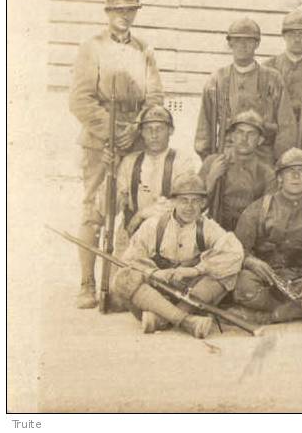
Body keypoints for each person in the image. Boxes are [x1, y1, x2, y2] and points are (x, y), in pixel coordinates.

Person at [69, 0, 164, 309]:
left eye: (130, 10)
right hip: (100, 141)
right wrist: (110, 134)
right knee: (96, 209)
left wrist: (135, 128)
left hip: (134, 141)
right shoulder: (91, 48)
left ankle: (123, 279)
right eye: (118, 11)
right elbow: (80, 100)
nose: (124, 17)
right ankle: (87, 282)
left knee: (133, 208)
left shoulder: (144, 49)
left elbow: (154, 97)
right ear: (108, 14)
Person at [110, 173, 243, 338]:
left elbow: (234, 253)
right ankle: (187, 321)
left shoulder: (208, 227)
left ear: (203, 203)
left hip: (190, 294)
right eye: (183, 200)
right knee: (123, 278)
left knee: (227, 275)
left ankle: (161, 318)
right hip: (157, 293)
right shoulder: (154, 225)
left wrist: (194, 270)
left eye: (195, 201)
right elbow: (130, 259)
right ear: (173, 202)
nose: (189, 207)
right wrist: (154, 273)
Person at [231, 149, 302, 324]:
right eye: (290, 171)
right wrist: (250, 261)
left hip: (301, 280)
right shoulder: (259, 208)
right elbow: (237, 248)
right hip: (266, 281)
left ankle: (270, 316)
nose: (296, 175)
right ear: (279, 178)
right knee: (242, 285)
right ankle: (295, 310)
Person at [194, 17, 296, 162]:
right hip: (227, 156)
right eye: (237, 40)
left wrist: (278, 161)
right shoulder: (217, 81)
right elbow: (204, 129)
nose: (243, 45)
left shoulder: (272, 79)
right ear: (230, 43)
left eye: (249, 40)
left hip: (264, 156)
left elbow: (287, 127)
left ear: (257, 44)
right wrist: (210, 161)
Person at [115, 105, 200, 249]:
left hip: (170, 237)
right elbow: (114, 205)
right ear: (141, 132)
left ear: (170, 131)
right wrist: (110, 172)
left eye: (159, 129)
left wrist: (142, 215)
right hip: (132, 236)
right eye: (148, 129)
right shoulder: (129, 162)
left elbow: (182, 202)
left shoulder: (183, 161)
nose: (154, 135)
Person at [199, 110, 275, 232]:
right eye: (240, 132)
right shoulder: (213, 162)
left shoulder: (267, 173)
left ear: (260, 140)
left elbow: (269, 216)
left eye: (251, 134)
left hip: (250, 234)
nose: (244, 139)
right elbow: (196, 207)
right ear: (232, 136)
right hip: (214, 231)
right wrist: (211, 180)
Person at [264, 9, 302, 151]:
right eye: (292, 34)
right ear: (284, 36)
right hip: (273, 139)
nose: (297, 39)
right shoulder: (268, 68)